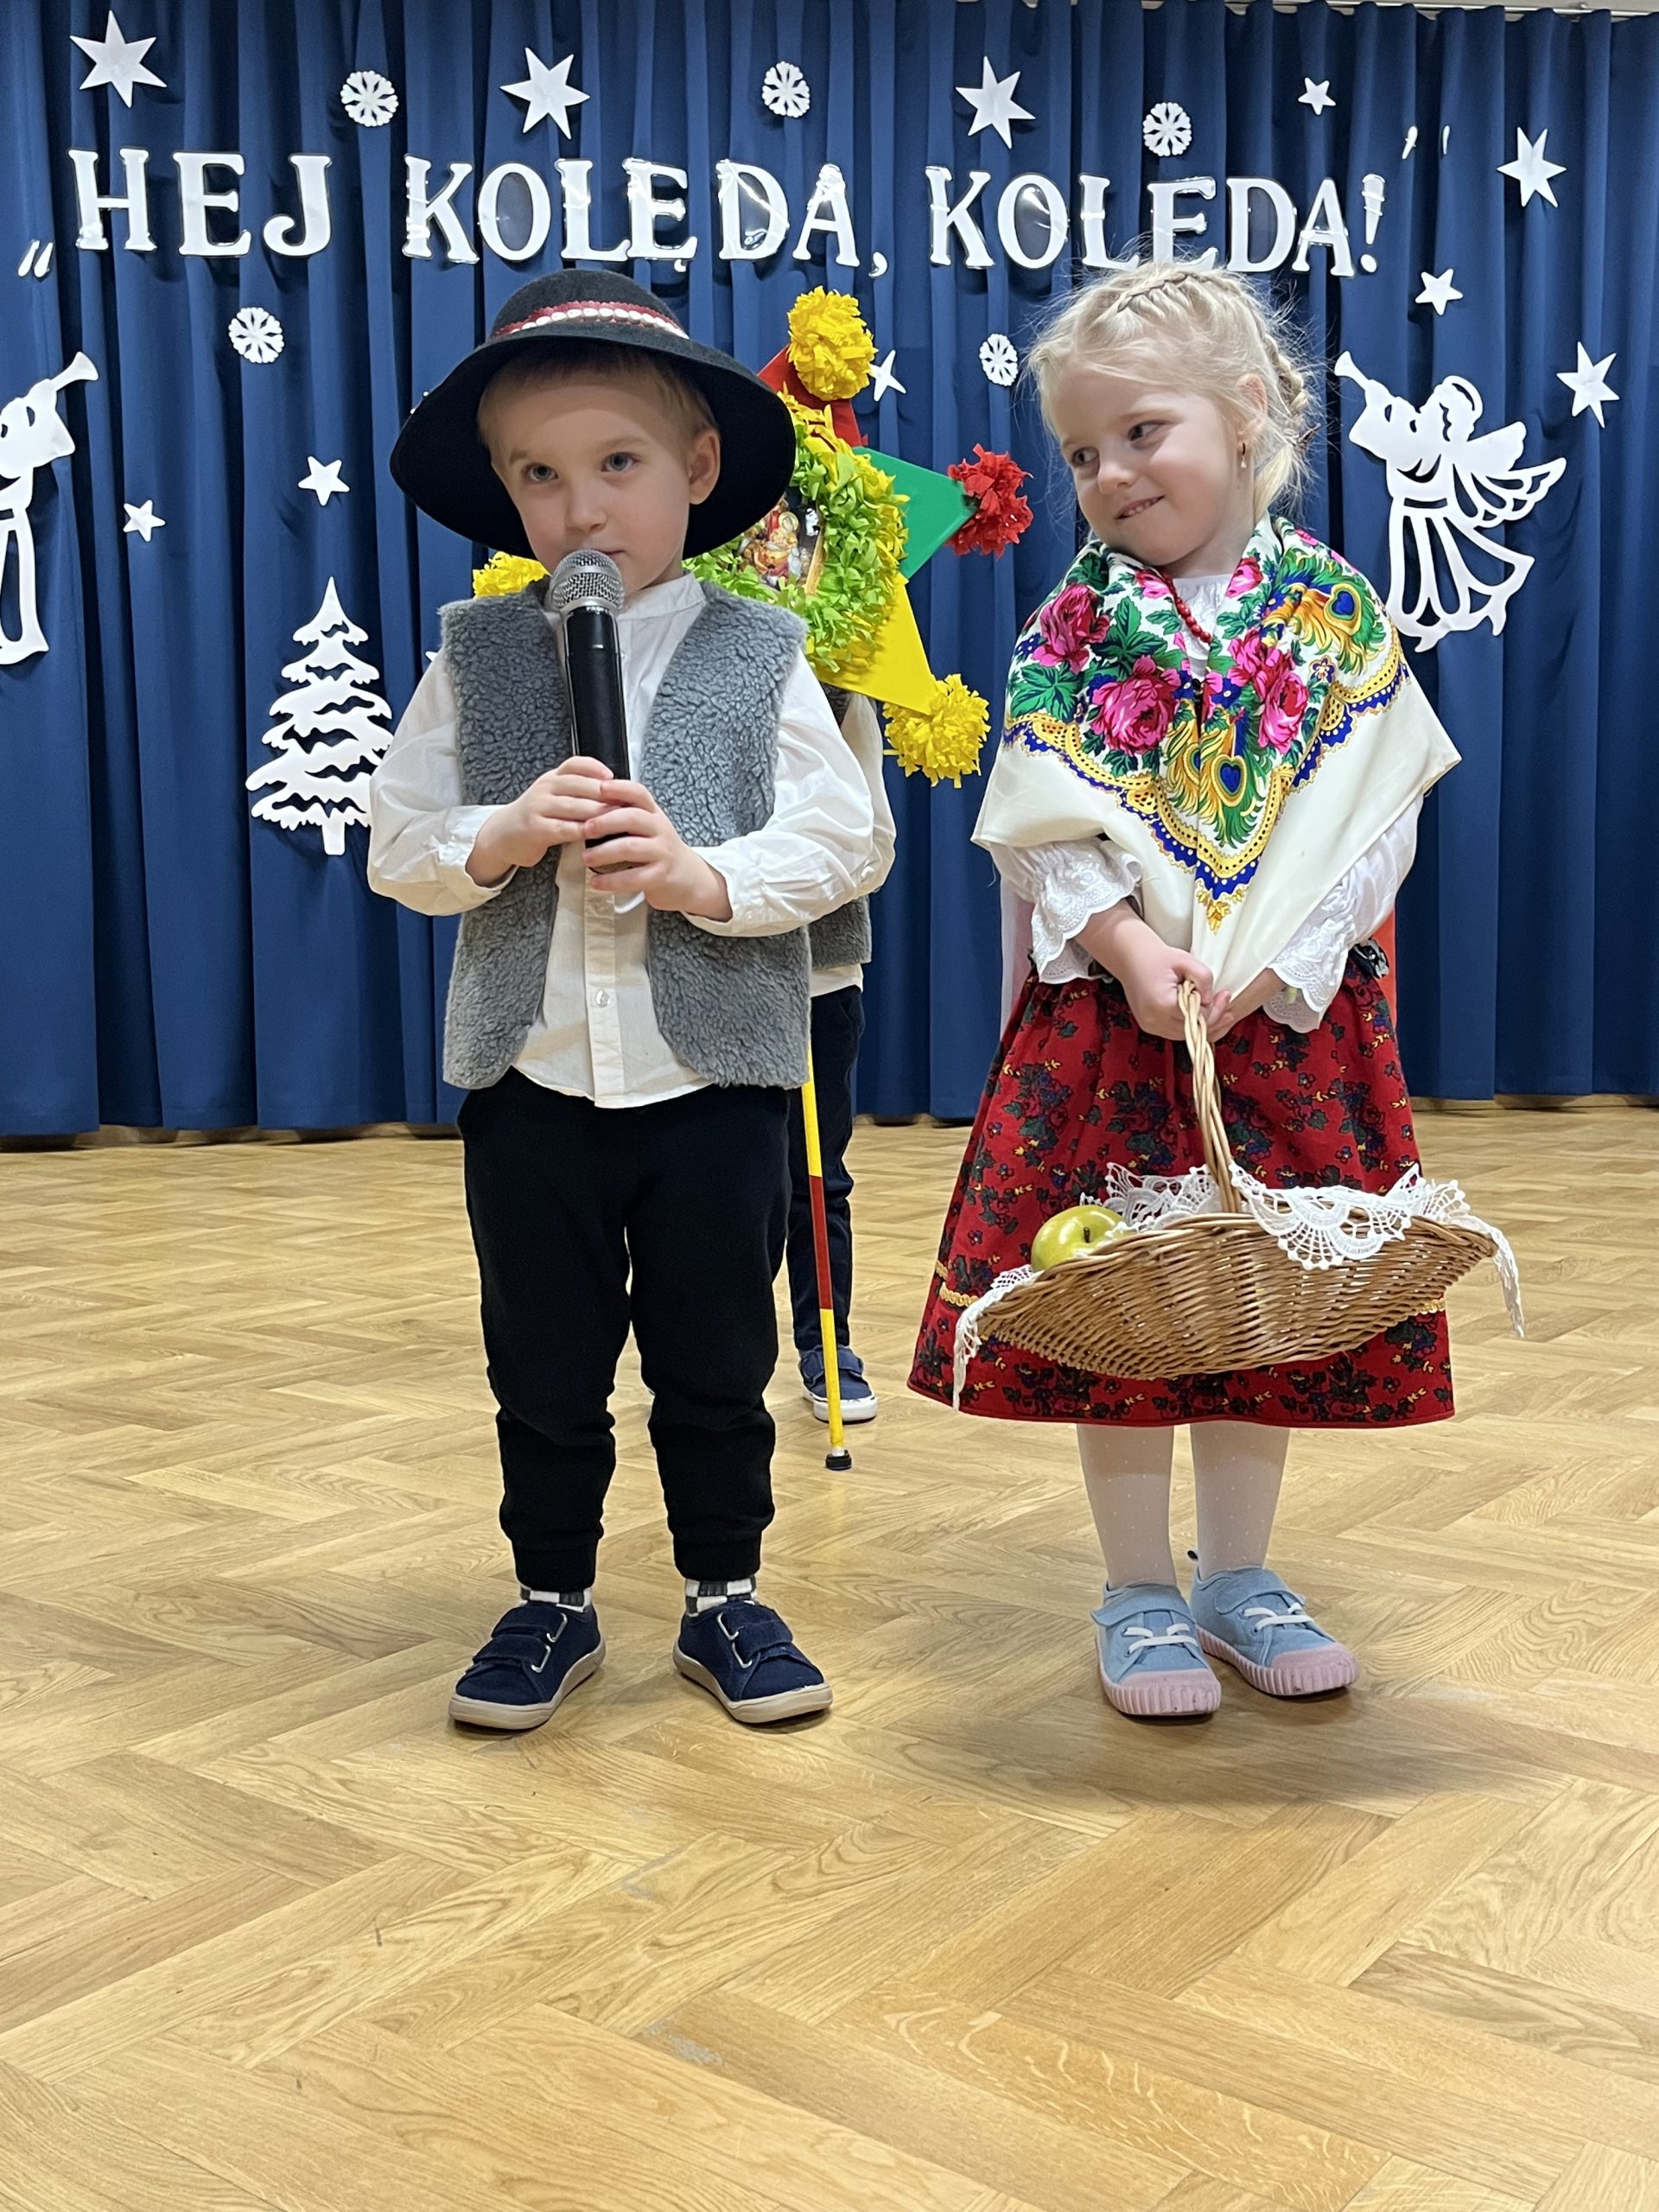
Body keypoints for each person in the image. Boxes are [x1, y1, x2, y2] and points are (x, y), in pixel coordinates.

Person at [909, 263, 1460, 1719]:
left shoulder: (1330, 612)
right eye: (1082, 452)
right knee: (1124, 1305)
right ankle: (1138, 1589)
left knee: (1254, 1303)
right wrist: (1127, 947)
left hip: (1285, 1032)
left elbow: (1380, 810)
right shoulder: (1072, 632)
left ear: (1251, 412)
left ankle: (1239, 1577)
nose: (1109, 474)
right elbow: (1043, 827)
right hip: (1117, 1032)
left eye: (1142, 433)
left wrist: (1285, 957)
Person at [371, 270, 879, 1732]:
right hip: (530, 1084)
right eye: (539, 476)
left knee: (718, 1359)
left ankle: (726, 1594)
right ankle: (552, 1596)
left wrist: (706, 874)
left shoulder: (761, 649)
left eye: (617, 463)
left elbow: (845, 838)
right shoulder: (476, 658)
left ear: (698, 468)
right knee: (540, 1363)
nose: (581, 509)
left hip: (714, 1087)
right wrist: (501, 832)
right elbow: (399, 844)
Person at [786, 686, 896, 1426]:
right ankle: (715, 1361)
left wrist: (780, 877)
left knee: (816, 1176)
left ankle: (827, 1347)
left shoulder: (842, 691)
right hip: (712, 978)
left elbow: (873, 846)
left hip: (819, 977)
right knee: (719, 1181)